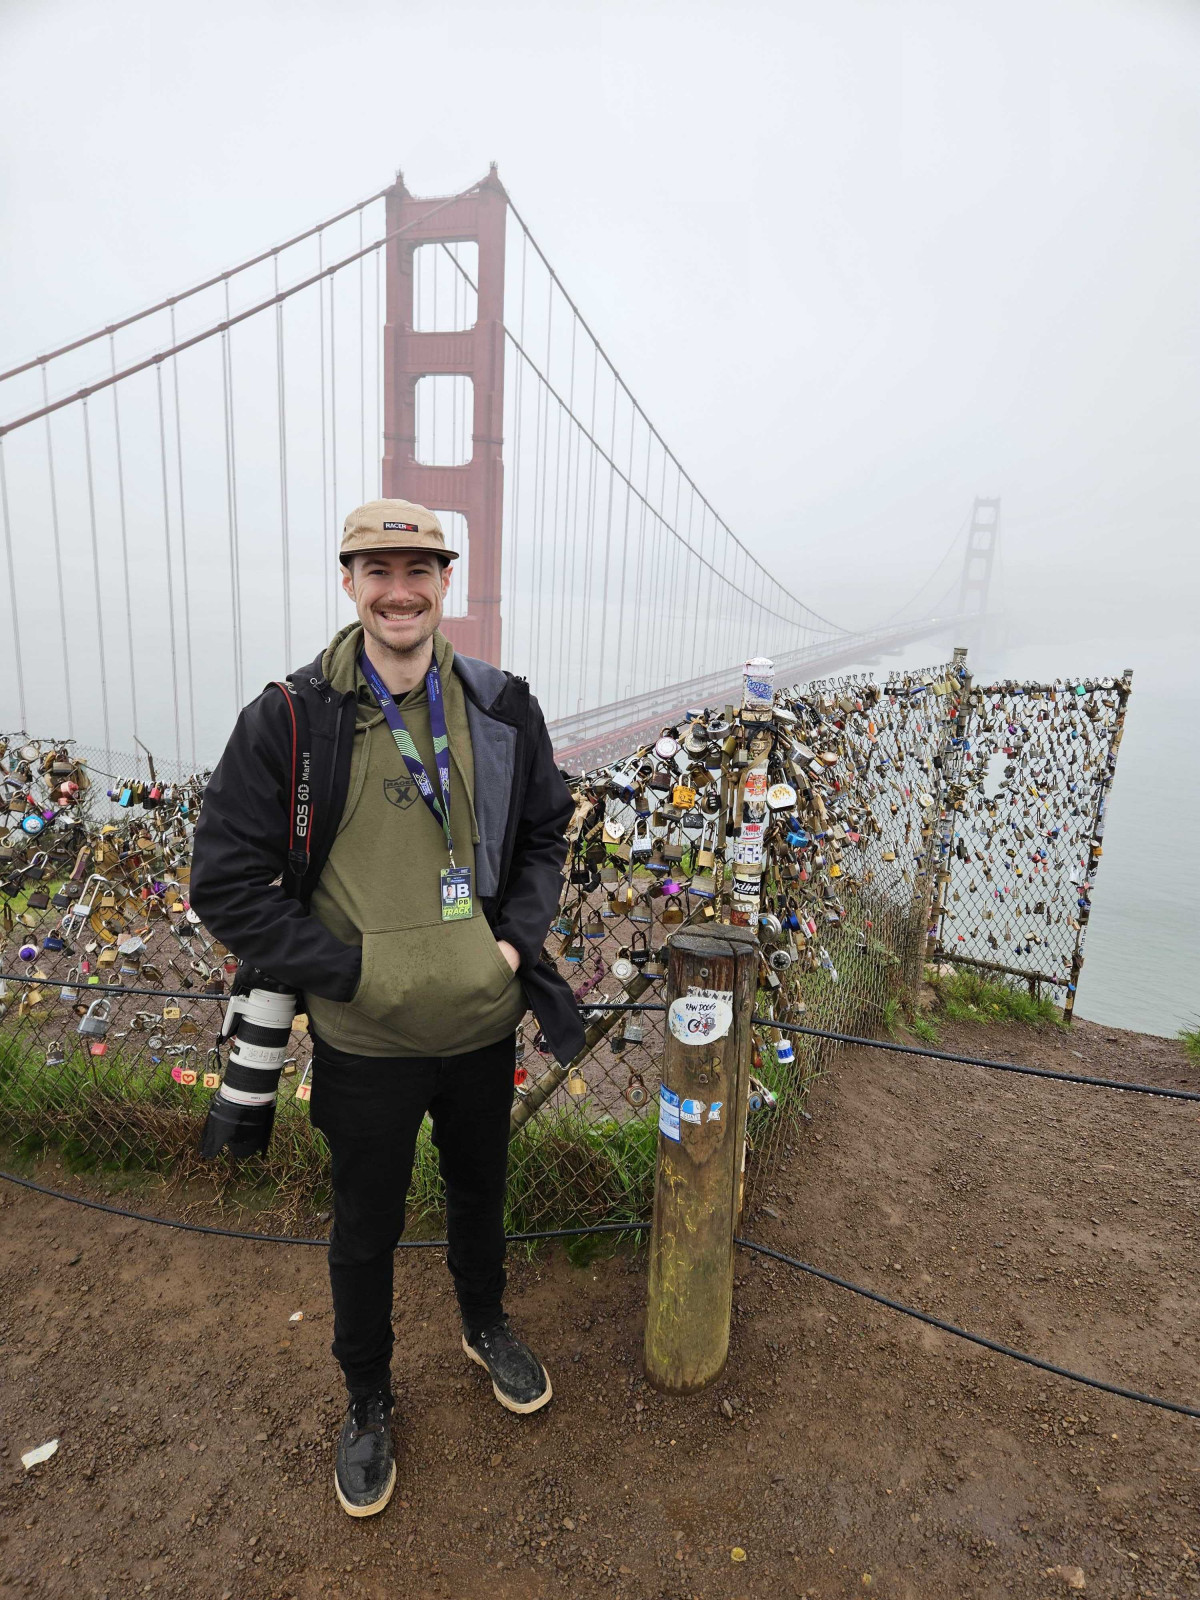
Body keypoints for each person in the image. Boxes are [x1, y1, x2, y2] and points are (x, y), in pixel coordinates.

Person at [190, 499, 585, 1518]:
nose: (400, 589)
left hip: (481, 1025)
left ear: (447, 581)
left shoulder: (501, 706)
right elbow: (223, 882)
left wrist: (509, 944)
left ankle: (484, 1322)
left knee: (478, 1193)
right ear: (349, 581)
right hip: (365, 1040)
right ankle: (367, 1395)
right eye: (378, 569)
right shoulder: (289, 717)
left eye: (420, 569)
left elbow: (546, 834)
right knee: (363, 1227)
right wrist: (344, 971)